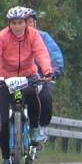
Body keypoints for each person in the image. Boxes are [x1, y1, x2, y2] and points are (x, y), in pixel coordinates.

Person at [0, 6, 53, 164]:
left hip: (28, 76)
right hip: (5, 78)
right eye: (14, 23)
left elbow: (41, 53)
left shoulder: (33, 36)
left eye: (20, 22)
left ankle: (34, 128)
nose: (17, 26)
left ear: (26, 23)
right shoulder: (2, 37)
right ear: (9, 24)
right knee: (4, 122)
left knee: (34, 96)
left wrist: (47, 71)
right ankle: (6, 160)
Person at [27, 9, 64, 142]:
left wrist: (54, 70)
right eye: (22, 22)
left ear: (34, 24)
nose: (26, 25)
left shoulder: (43, 37)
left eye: (29, 21)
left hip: (41, 78)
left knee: (46, 98)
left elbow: (54, 54)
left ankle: (42, 126)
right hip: (18, 78)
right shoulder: (10, 39)